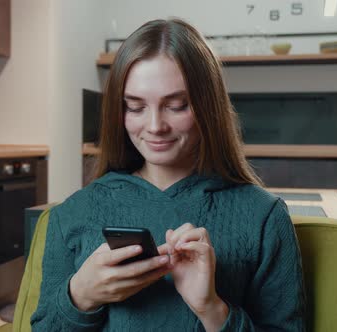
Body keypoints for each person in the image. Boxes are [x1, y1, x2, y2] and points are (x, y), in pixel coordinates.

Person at [31, 18, 305, 331]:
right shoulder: (70, 214)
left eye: (176, 105)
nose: (155, 126)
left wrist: (212, 308)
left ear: (208, 107)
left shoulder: (263, 216)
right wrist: (80, 296)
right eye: (135, 107)